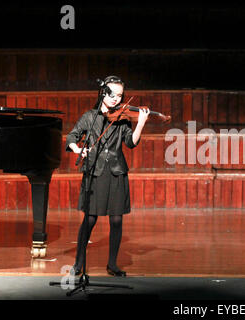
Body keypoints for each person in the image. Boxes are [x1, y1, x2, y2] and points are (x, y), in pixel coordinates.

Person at [66, 75, 149, 277]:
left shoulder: (122, 119)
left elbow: (130, 143)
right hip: (94, 171)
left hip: (116, 172)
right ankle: (79, 263)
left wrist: (140, 124)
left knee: (117, 221)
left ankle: (112, 264)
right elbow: (72, 137)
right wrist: (78, 150)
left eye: (119, 96)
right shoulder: (89, 116)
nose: (115, 99)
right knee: (90, 218)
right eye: (111, 94)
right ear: (103, 92)